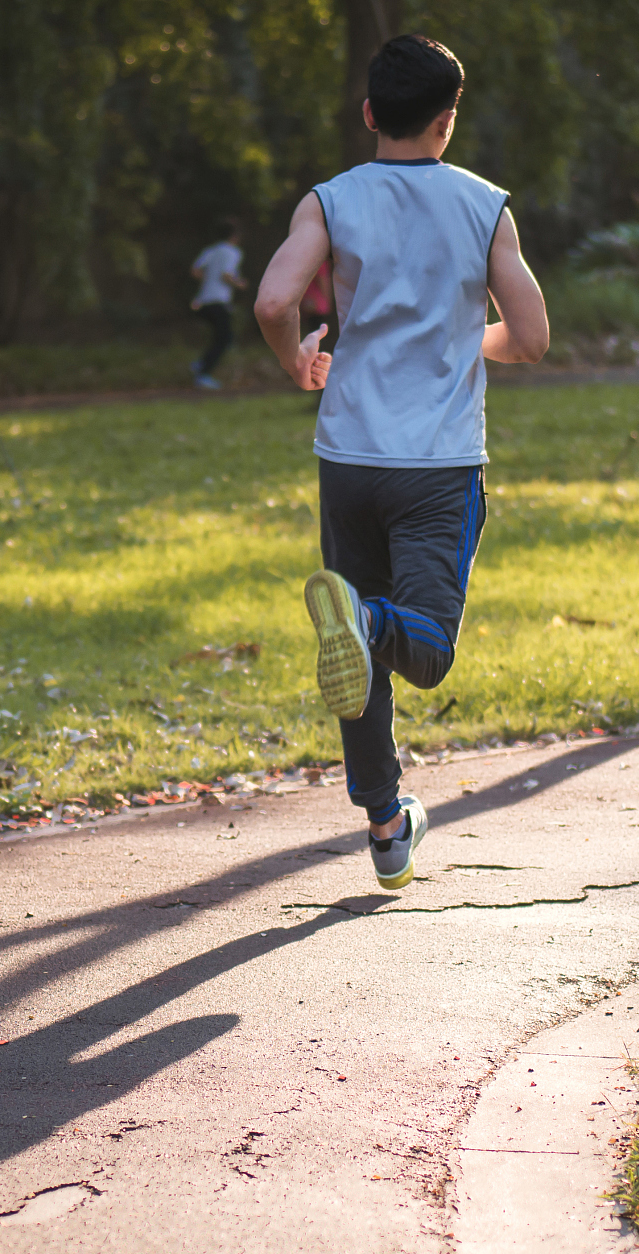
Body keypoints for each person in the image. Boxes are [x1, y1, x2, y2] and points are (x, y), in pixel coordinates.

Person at [253, 33, 549, 890]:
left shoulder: (332, 200)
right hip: (437, 466)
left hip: (348, 456)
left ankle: (387, 828)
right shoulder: (484, 206)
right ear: (447, 122)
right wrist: (470, 341)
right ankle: (368, 622)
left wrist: (295, 361)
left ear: (371, 114)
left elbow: (276, 299)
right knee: (417, 646)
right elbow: (530, 338)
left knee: (357, 639)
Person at [188, 217, 246, 389]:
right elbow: (226, 275)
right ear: (234, 236)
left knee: (219, 336)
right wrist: (240, 283)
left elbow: (195, 271)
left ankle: (202, 365)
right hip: (218, 301)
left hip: (203, 301)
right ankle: (203, 371)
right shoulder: (232, 252)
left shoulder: (211, 251)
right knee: (225, 337)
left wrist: (208, 279)